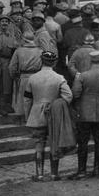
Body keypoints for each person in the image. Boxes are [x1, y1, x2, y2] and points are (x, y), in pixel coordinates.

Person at [24, 51, 74, 181]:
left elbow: (27, 100)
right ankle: (54, 174)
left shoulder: (32, 78)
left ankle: (39, 174)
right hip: (54, 115)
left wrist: (28, 115)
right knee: (54, 142)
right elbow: (68, 96)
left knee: (39, 143)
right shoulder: (59, 78)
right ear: (54, 62)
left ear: (41, 61)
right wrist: (56, 105)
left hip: (36, 114)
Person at [70, 50, 99, 179]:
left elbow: (76, 93)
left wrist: (80, 105)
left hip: (84, 114)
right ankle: (97, 169)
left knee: (83, 142)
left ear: (91, 61)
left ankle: (82, 171)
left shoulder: (82, 76)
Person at [8, 31, 42, 124]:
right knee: (35, 98)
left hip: (23, 77)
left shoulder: (19, 50)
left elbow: (12, 67)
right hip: (37, 77)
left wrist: (14, 76)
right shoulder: (40, 51)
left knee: (22, 98)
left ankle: (24, 119)